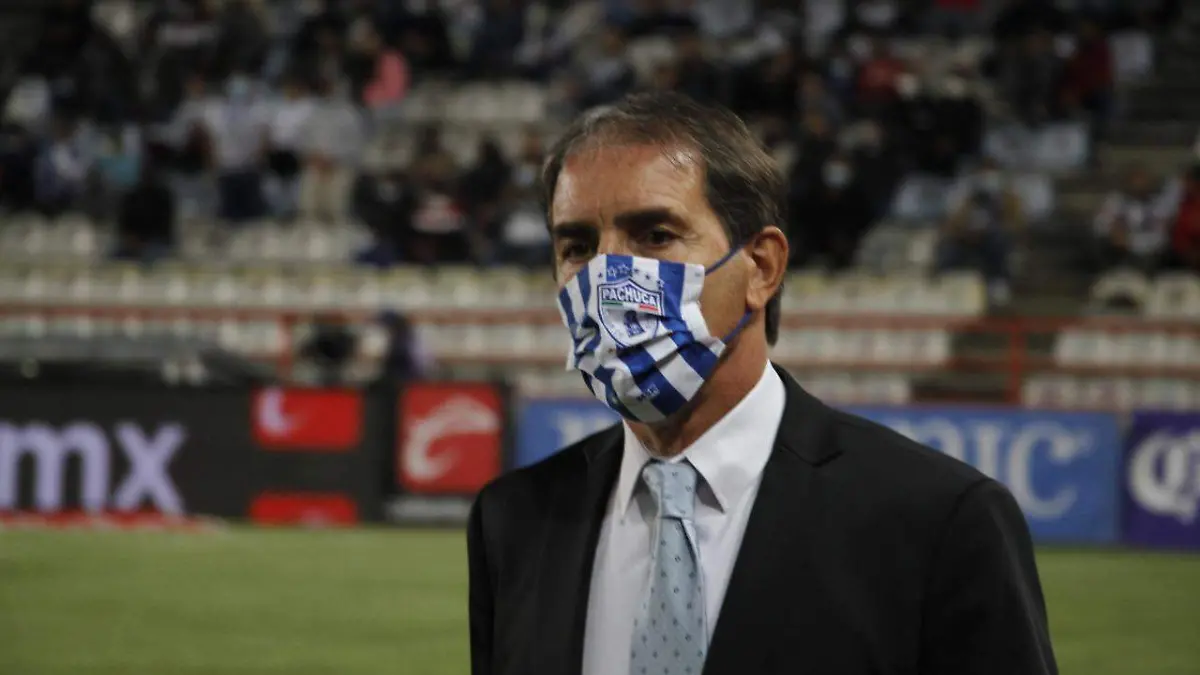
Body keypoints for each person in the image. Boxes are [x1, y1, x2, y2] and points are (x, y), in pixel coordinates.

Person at [467, 92, 1057, 675]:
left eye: (655, 235)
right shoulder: (512, 522)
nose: (606, 276)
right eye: (577, 247)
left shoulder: (941, 522)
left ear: (762, 267)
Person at [937, 158, 1023, 306]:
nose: (987, 179)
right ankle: (947, 283)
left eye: (991, 174)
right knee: (947, 246)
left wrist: (1002, 201)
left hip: (993, 238)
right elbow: (951, 224)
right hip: (966, 237)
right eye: (983, 174)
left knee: (999, 239)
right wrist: (969, 205)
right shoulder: (963, 194)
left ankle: (998, 283)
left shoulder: (1008, 195)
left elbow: (1016, 223)